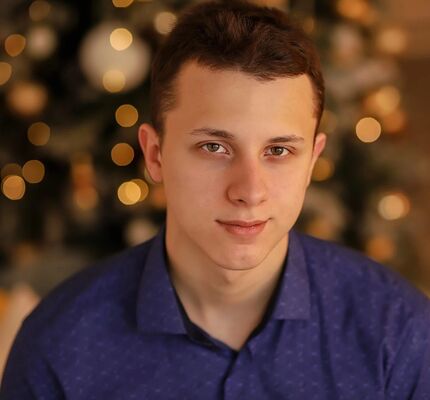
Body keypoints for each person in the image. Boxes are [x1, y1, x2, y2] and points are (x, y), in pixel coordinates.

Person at [1, 0, 429, 398]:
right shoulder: (59, 346)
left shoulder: (400, 335)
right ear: (155, 155)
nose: (250, 191)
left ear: (313, 160)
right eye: (214, 147)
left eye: (279, 151)